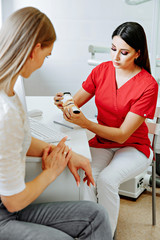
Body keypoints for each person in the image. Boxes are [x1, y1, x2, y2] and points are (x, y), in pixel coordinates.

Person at [0, 7, 113, 240]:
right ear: (34, 49)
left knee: (96, 216)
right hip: (9, 206)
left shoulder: (12, 90)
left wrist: (66, 154)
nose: (44, 62)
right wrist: (51, 172)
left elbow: (18, 141)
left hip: (9, 206)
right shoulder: (6, 110)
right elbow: (13, 200)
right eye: (47, 55)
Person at [54, 22, 159, 236]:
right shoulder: (102, 70)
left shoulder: (148, 85)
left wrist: (87, 124)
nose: (116, 57)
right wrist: (65, 103)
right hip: (103, 142)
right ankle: (90, 227)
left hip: (134, 147)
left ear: (138, 53)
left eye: (124, 52)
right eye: (113, 49)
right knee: (86, 175)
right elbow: (76, 101)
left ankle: (105, 234)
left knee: (106, 180)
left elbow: (122, 136)